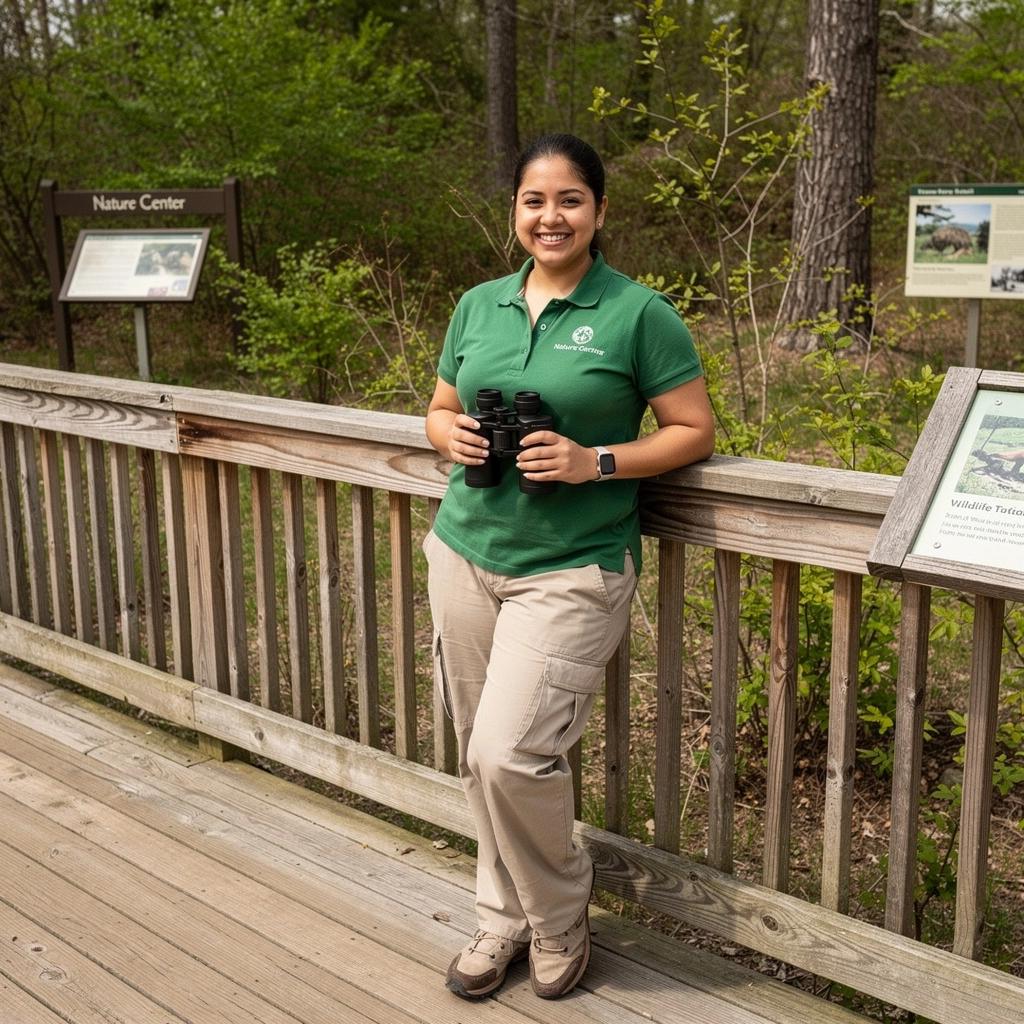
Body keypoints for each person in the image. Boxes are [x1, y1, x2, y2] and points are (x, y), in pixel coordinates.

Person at [423, 133, 714, 1001]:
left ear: (599, 210)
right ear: (514, 210)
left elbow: (694, 430)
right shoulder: (478, 305)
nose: (550, 217)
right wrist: (451, 434)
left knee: (511, 754)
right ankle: (500, 919)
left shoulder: (638, 312)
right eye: (534, 201)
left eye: (569, 200)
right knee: (477, 755)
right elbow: (438, 408)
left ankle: (557, 918)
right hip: (465, 550)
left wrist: (597, 461)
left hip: (573, 567)